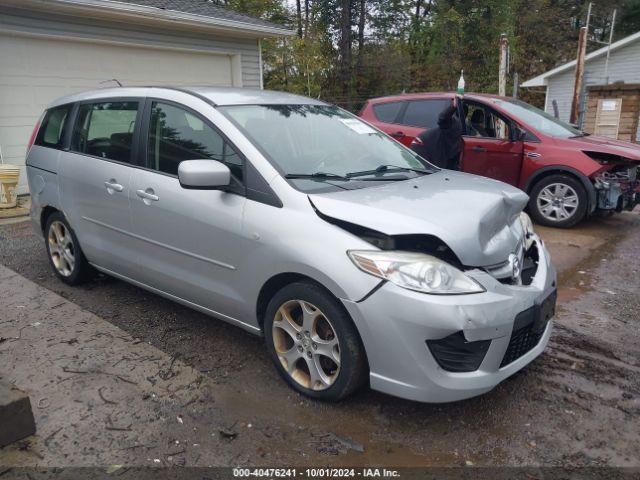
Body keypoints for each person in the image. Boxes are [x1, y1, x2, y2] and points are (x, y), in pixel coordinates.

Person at [411, 96, 463, 170]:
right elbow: (443, 117)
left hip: (440, 152)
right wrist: (453, 106)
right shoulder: (452, 123)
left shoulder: (459, 128)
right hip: (424, 147)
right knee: (427, 173)